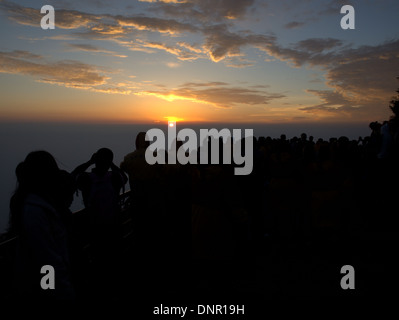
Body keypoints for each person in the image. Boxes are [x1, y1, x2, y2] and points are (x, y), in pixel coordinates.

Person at [9, 151, 75, 300]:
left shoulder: (33, 205)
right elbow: (46, 258)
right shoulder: (36, 211)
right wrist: (55, 291)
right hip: (45, 290)